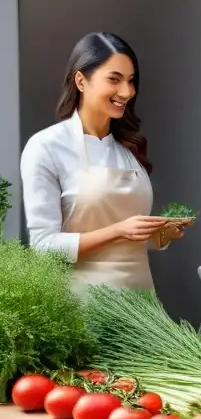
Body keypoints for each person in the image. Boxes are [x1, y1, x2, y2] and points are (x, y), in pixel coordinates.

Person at [20, 32, 187, 294]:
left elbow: (131, 240)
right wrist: (119, 231)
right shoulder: (46, 147)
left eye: (131, 81)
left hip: (140, 300)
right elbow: (43, 246)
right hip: (81, 304)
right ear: (81, 81)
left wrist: (160, 234)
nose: (127, 92)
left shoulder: (128, 148)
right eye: (114, 79)